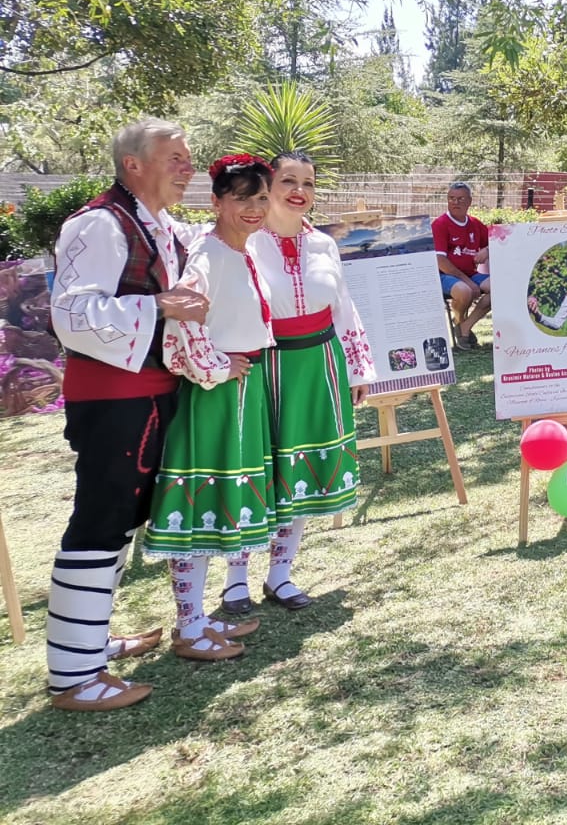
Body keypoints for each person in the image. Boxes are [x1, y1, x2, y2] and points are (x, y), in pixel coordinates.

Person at [44, 119, 210, 710]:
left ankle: (88, 645)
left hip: (146, 389)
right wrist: (161, 303)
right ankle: (73, 676)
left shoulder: (154, 223)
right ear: (133, 164)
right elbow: (73, 315)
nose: (187, 167)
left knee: (123, 518)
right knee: (102, 520)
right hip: (115, 395)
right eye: (175, 157)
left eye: (190, 158)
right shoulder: (99, 224)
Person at [216, 151, 374, 617]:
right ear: (269, 186)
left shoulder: (324, 244)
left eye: (307, 182)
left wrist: (358, 368)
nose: (298, 190)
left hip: (318, 365)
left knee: (302, 471)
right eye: (288, 180)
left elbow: (343, 306)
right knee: (258, 470)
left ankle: (280, 574)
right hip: (264, 367)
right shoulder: (244, 243)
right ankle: (235, 580)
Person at [145, 155, 279, 663]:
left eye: (261, 197)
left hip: (240, 392)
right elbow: (182, 319)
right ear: (217, 201)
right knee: (200, 506)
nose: (254, 207)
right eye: (242, 197)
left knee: (223, 502)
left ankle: (200, 620)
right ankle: (189, 625)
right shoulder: (207, 254)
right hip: (213, 397)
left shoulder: (239, 250)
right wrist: (217, 366)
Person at [433, 181, 491, 349]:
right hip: (444, 275)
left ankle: (465, 326)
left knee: (500, 289)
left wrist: (487, 249)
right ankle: (459, 319)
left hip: (471, 274)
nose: (455, 203)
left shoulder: (475, 224)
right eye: (451, 198)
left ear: (469, 201)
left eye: (460, 199)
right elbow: (440, 261)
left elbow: (499, 242)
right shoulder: (440, 224)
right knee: (465, 291)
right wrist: (467, 281)